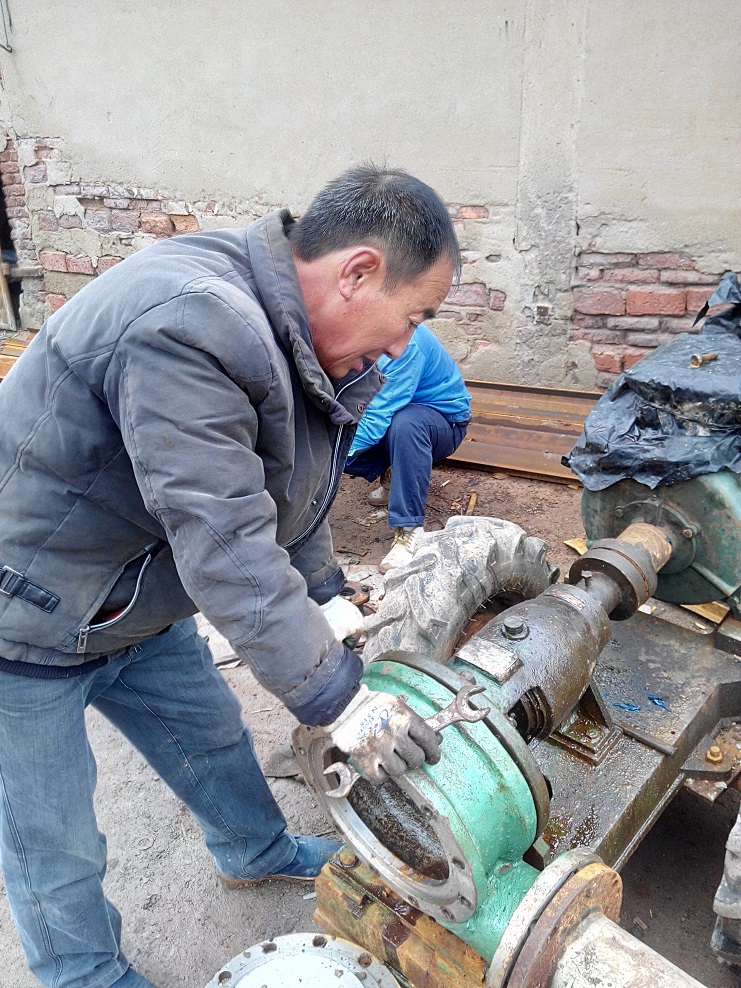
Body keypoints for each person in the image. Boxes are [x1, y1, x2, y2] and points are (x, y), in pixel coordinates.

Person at [0, 164, 460, 988]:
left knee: (210, 738)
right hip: (28, 613)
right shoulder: (192, 324)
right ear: (358, 272)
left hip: (132, 597)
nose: (405, 344)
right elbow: (225, 540)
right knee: (52, 834)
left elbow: (288, 492)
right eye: (415, 315)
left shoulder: (297, 335)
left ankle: (255, 852)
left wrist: (323, 592)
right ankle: (83, 974)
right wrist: (338, 699)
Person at [345, 323, 471, 572]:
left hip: (443, 423)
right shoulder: (349, 333)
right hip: (393, 412)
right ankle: (393, 477)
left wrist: (332, 458)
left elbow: (376, 418)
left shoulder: (402, 345)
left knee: (406, 424)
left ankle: (409, 529)